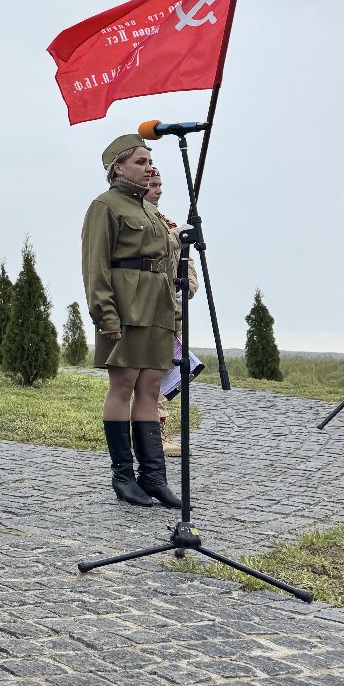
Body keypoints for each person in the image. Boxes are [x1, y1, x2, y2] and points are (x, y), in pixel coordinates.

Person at [81, 134, 180, 509]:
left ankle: (153, 476)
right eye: (140, 161)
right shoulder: (104, 206)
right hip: (124, 305)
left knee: (151, 387)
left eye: (150, 161)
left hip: (158, 305)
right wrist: (105, 314)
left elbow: (166, 263)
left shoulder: (152, 211)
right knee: (124, 385)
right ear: (117, 168)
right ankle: (123, 476)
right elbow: (95, 265)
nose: (149, 167)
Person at [144, 166, 200, 453]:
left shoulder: (167, 222)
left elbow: (184, 261)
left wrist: (187, 283)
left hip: (170, 308)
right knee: (149, 378)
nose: (159, 189)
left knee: (164, 373)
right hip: (146, 308)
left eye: (160, 184)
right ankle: (154, 438)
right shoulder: (142, 222)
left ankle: (159, 435)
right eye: (153, 184)